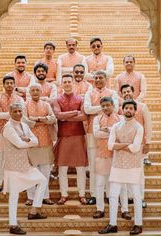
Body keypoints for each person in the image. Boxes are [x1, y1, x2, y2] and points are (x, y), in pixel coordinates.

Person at [99, 99, 143, 235]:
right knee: (113, 195)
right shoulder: (116, 126)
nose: (128, 110)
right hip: (118, 165)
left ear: (135, 111)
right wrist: (126, 144)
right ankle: (112, 224)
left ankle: (138, 224)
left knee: (136, 196)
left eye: (131, 108)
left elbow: (136, 148)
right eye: (126, 108)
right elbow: (110, 146)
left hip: (133, 165)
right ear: (122, 110)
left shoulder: (139, 127)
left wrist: (120, 145)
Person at [3, 103, 47, 235]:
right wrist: (28, 141)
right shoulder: (8, 127)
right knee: (14, 196)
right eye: (15, 111)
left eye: (19, 111)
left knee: (43, 181)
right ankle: (13, 224)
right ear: (10, 112)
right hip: (13, 166)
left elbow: (36, 141)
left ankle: (34, 210)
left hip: (26, 164)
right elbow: (19, 144)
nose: (18, 113)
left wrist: (26, 139)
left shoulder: (24, 125)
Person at [84, 71, 119, 205]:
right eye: (96, 78)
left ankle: (109, 194)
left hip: (113, 133)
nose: (98, 80)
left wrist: (97, 108)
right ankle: (94, 193)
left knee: (111, 164)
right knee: (94, 163)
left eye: (101, 78)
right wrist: (105, 107)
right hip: (93, 131)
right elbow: (87, 109)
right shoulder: (89, 93)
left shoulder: (112, 92)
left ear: (106, 79)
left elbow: (115, 110)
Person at [53, 74, 88, 205]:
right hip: (63, 135)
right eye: (65, 82)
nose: (67, 84)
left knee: (80, 167)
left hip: (78, 135)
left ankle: (82, 193)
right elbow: (57, 115)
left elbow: (84, 116)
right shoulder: (57, 100)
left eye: (69, 82)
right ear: (61, 84)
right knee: (62, 167)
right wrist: (74, 112)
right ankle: (63, 194)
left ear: (73, 83)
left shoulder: (80, 99)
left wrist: (65, 116)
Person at [119, 84, 152, 210]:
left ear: (134, 92)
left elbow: (148, 126)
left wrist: (147, 143)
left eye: (128, 91)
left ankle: (141, 197)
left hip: (140, 145)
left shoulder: (142, 107)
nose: (127, 93)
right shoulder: (120, 108)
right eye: (124, 92)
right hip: (125, 146)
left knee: (139, 172)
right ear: (121, 94)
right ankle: (128, 197)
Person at [23, 84, 57, 206]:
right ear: (30, 92)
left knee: (46, 171)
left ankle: (45, 196)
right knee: (31, 171)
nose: (35, 92)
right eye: (33, 90)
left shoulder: (46, 105)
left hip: (45, 141)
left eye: (38, 90)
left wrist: (36, 119)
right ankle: (31, 197)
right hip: (31, 143)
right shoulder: (25, 104)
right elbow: (25, 120)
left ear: (41, 92)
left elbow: (53, 119)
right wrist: (43, 120)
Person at [0, 76, 24, 194]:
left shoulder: (19, 99)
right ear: (3, 85)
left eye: (11, 83)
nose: (9, 85)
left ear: (14, 85)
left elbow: (21, 114)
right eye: (7, 83)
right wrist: (13, 114)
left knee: (17, 158)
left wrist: (9, 114)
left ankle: (17, 183)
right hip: (2, 131)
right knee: (1, 159)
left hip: (16, 132)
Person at [92, 97, 123, 219]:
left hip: (116, 156)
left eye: (107, 105)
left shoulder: (120, 118)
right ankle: (100, 209)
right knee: (99, 184)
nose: (105, 108)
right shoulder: (97, 119)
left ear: (113, 105)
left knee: (116, 184)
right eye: (103, 106)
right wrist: (113, 132)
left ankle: (118, 209)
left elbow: (120, 134)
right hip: (101, 154)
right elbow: (96, 134)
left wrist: (107, 130)